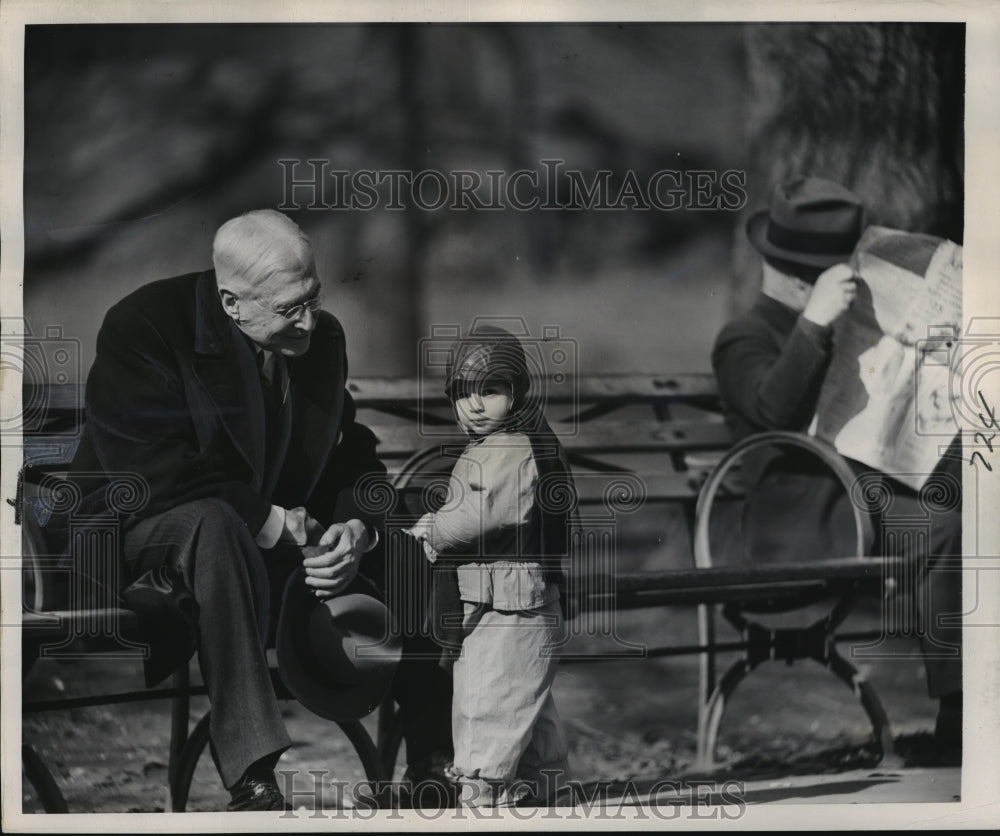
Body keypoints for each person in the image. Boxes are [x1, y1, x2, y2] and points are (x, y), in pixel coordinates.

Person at [54, 209, 417, 810]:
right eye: (288, 309)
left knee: (414, 532)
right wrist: (274, 523)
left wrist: (359, 529)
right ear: (231, 302)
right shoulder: (144, 325)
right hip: (132, 537)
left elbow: (351, 458)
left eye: (313, 298)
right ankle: (254, 780)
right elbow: (152, 471)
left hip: (245, 554)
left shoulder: (318, 340)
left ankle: (441, 757)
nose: (308, 321)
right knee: (217, 523)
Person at [711, 176, 963, 763]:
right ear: (806, 277)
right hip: (792, 524)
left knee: (954, 518)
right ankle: (961, 718)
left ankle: (963, 711)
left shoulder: (852, 325)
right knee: (938, 526)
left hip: (852, 499)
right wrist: (814, 324)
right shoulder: (742, 336)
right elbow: (775, 412)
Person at [407, 326, 575, 807]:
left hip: (506, 604)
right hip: (518, 597)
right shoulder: (514, 440)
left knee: (488, 696)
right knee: (524, 696)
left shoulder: (509, 448)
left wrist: (430, 531)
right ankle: (544, 782)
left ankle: (483, 792)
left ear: (518, 391)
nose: (475, 404)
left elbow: (475, 514)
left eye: (492, 389)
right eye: (463, 392)